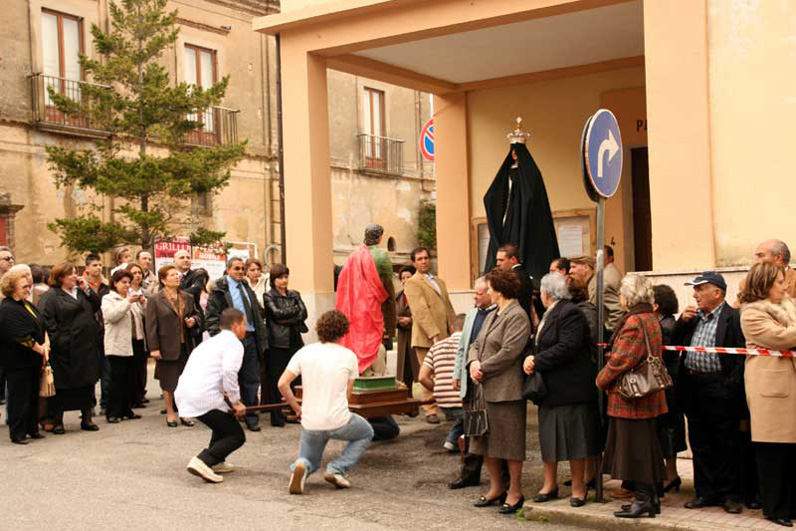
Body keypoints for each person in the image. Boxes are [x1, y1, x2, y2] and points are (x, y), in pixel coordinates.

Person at [524, 272, 600, 507]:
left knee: (576, 442)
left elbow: (568, 347)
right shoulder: (550, 313)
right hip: (550, 391)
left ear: (547, 293)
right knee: (550, 440)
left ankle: (579, 488)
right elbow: (539, 343)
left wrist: (537, 361)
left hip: (570, 389)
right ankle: (550, 484)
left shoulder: (570, 312)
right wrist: (530, 357)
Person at [673, 271, 745, 513]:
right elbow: (673, 344)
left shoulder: (732, 317)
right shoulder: (692, 318)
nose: (695, 295)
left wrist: (729, 386)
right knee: (699, 441)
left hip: (720, 388)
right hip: (693, 386)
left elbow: (741, 357)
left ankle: (729, 494)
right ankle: (705, 492)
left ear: (717, 292)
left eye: (699, 289)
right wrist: (681, 322)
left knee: (726, 442)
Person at [280, 310, 374, 494]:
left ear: (319, 329)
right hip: (338, 419)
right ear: (343, 331)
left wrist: (297, 408)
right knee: (366, 432)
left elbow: (282, 383)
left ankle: (302, 465)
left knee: (311, 460)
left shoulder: (304, 352)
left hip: (310, 421)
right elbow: (347, 395)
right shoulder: (349, 356)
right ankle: (337, 469)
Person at [596, 274, 667, 519]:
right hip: (645, 394)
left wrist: (601, 379)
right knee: (645, 447)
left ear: (628, 297)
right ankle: (650, 498)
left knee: (636, 450)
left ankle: (644, 499)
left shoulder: (635, 321)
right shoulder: (650, 318)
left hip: (632, 396)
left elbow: (621, 360)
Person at [468, 268, 530, 515]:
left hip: (506, 390)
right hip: (483, 387)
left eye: (491, 287)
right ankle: (496, 488)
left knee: (510, 443)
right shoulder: (494, 313)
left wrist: (483, 366)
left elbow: (509, 352)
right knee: (485, 441)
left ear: (500, 290)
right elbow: (476, 343)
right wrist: (473, 362)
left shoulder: (517, 315)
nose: (488, 291)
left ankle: (515, 491)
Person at [739, 262, 796, 527]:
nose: (785, 287)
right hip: (769, 390)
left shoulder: (787, 306)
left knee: (790, 452)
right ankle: (775, 508)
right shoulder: (751, 313)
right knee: (773, 452)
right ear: (764, 285)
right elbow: (781, 338)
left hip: (789, 387)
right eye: (779, 282)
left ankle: (791, 504)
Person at [176, 308, 248, 484]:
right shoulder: (234, 344)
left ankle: (216, 460)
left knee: (223, 423)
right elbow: (229, 371)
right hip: (203, 395)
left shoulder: (210, 342)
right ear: (236, 325)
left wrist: (228, 400)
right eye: (245, 324)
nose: (246, 329)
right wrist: (236, 401)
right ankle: (204, 460)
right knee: (236, 436)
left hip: (187, 391)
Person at [206, 257, 267, 432]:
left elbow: (256, 312)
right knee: (229, 376)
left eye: (242, 268)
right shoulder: (219, 289)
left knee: (251, 379)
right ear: (228, 270)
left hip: (250, 338)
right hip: (230, 339)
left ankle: (251, 415)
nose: (240, 271)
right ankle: (229, 413)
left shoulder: (247, 287)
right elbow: (211, 317)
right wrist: (219, 338)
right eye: (236, 268)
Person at [39, 262, 101, 434]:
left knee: (87, 383)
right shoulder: (51, 296)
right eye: (70, 274)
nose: (75, 276)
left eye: (75, 273)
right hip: (65, 349)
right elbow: (47, 320)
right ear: (60, 278)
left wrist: (87, 289)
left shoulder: (81, 291)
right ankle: (58, 420)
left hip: (86, 346)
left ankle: (87, 417)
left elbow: (96, 305)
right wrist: (58, 339)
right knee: (63, 386)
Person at [450, 277, 497, 490]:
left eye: (478, 293)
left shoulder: (497, 314)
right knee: (470, 427)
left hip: (488, 380)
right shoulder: (471, 314)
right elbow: (463, 347)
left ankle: (501, 478)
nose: (475, 297)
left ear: (490, 292)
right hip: (469, 381)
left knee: (492, 430)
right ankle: (469, 473)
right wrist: (457, 373)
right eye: (474, 293)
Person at [335, 223, 396, 375]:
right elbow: (388, 283)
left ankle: (362, 371)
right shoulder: (382, 255)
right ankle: (371, 372)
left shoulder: (352, 256)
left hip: (355, 306)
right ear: (380, 237)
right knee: (373, 341)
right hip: (372, 305)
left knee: (358, 340)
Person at [404, 246, 456, 423]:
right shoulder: (412, 282)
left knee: (445, 372)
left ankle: (447, 406)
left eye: (426, 258)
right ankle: (429, 409)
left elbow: (448, 307)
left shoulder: (439, 281)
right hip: (426, 337)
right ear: (414, 263)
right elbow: (420, 311)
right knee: (427, 373)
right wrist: (434, 334)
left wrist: (456, 329)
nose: (424, 261)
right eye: (420, 259)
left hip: (446, 334)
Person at [146, 265, 201, 428]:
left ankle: (184, 412)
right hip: (165, 346)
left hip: (186, 346)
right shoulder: (155, 300)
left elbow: (197, 314)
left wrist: (194, 320)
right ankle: (170, 413)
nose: (176, 277)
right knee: (168, 382)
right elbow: (151, 326)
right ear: (163, 280)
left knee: (185, 382)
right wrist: (154, 348)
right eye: (172, 275)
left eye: (177, 275)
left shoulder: (187, 297)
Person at [0, 268, 47, 443]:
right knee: (19, 397)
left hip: (32, 360)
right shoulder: (8, 308)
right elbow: (20, 335)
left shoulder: (27, 304)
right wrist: (40, 349)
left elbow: (41, 324)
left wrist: (46, 344)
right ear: (12, 288)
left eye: (28, 286)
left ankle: (32, 428)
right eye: (24, 287)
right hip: (17, 362)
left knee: (33, 395)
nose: (28, 289)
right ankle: (18, 432)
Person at [263, 263, 308, 427]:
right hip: (277, 342)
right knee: (278, 378)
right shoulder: (268, 296)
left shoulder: (295, 294)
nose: (283, 280)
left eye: (285, 277)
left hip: (295, 340)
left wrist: (286, 319)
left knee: (297, 378)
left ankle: (295, 412)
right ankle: (277, 415)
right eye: (280, 278)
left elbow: (304, 313)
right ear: (273, 280)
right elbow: (276, 314)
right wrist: (294, 312)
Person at [653, 284, 686, 494]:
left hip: (668, 385)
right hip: (670, 382)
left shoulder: (664, 326)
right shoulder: (666, 322)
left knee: (668, 430)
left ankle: (670, 474)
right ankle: (669, 474)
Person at [419, 314, 466, 452]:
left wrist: (439, 389)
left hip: (442, 400)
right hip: (461, 400)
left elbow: (422, 377)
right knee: (472, 413)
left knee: (462, 416)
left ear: (452, 328)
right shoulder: (470, 346)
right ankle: (465, 440)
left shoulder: (436, 347)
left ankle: (451, 441)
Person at [101, 269, 142, 424]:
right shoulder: (109, 298)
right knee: (116, 379)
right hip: (117, 343)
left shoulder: (131, 298)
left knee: (130, 378)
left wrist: (142, 303)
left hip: (134, 342)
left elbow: (140, 316)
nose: (126, 285)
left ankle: (126, 408)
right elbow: (111, 316)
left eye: (128, 282)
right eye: (123, 282)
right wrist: (128, 302)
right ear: (115, 283)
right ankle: (112, 411)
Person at [83, 253, 111, 412]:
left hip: (104, 330)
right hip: (88, 332)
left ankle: (105, 403)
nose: (98, 268)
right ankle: (89, 405)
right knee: (90, 370)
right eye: (94, 265)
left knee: (107, 369)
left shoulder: (106, 286)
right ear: (87, 268)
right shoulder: (81, 286)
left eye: (100, 265)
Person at [570, 255, 623, 331]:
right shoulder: (585, 287)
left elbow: (618, 310)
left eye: (573, 267)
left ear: (585, 267)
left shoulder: (601, 286)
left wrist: (606, 331)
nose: (570, 271)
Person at [126, 263, 149, 408]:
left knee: (141, 367)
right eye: (134, 273)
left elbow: (149, 314)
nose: (137, 275)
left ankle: (139, 396)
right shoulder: (124, 292)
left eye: (139, 272)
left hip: (143, 335)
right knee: (130, 369)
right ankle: (131, 398)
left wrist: (144, 303)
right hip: (129, 335)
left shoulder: (145, 292)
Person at [496, 243, 536, 323]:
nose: (497, 264)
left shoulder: (514, 277)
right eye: (497, 260)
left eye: (501, 260)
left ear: (513, 259)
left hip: (516, 321)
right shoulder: (523, 274)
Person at [395, 265, 418, 392]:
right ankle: (407, 396)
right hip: (403, 337)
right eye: (403, 278)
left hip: (416, 335)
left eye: (408, 277)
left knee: (418, 368)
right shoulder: (397, 296)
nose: (405, 280)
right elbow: (391, 314)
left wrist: (411, 320)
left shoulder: (418, 293)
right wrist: (398, 321)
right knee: (404, 369)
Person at [174, 249, 208, 318]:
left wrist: (174, 294)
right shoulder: (168, 276)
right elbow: (162, 293)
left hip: (193, 316)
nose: (186, 260)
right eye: (182, 258)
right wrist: (190, 289)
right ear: (174, 261)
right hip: (174, 316)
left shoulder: (198, 275)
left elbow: (196, 290)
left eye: (188, 258)